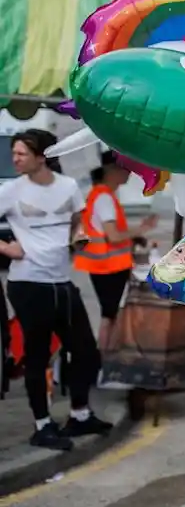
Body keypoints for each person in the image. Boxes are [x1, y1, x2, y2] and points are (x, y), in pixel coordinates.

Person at [0, 130, 112, 451]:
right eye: (15, 153)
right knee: (37, 357)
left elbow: (77, 219)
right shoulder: (11, 191)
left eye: (21, 153)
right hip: (28, 285)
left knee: (86, 352)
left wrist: (78, 236)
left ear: (42, 156)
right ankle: (42, 425)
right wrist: (7, 248)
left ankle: (79, 414)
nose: (15, 159)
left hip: (62, 283)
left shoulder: (69, 187)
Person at [74, 152, 157, 355]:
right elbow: (113, 235)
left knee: (109, 314)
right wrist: (142, 229)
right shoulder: (104, 197)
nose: (129, 174)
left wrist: (134, 237)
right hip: (108, 266)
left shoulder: (101, 194)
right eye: (126, 169)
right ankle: (104, 358)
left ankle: (104, 357)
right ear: (112, 170)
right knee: (109, 315)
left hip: (104, 265)